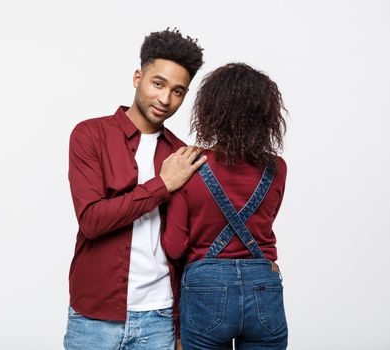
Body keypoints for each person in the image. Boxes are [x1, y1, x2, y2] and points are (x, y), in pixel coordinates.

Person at [64, 28, 205, 350]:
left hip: (160, 318)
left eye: (178, 91)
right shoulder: (90, 135)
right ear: (137, 77)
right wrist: (162, 185)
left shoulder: (182, 155)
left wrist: (183, 330)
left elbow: (189, 249)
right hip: (94, 320)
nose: (166, 99)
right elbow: (92, 220)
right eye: (158, 83)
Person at [162, 63, 289, 349]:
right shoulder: (277, 168)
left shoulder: (190, 164)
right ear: (266, 115)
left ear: (211, 110)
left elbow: (173, 247)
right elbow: (265, 219)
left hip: (206, 287)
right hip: (263, 285)